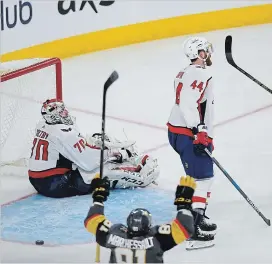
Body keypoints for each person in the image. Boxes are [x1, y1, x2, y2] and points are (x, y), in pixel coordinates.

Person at [28, 98, 159, 198]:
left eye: (64, 109)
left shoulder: (42, 124)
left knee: (93, 140)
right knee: (100, 171)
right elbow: (88, 163)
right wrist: (116, 154)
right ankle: (140, 176)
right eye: (61, 111)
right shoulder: (64, 133)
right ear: (53, 116)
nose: (65, 112)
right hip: (56, 184)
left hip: (37, 181)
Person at [166, 36, 216, 250]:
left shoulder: (184, 72)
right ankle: (192, 229)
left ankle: (199, 215)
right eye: (206, 50)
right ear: (200, 53)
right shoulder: (199, 73)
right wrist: (200, 130)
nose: (209, 53)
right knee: (203, 178)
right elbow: (188, 104)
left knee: (200, 177)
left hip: (179, 131)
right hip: (189, 133)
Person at [84, 175, 196, 263]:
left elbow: (92, 220)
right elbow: (184, 228)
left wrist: (98, 198)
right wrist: (183, 205)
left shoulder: (114, 235)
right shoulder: (157, 240)